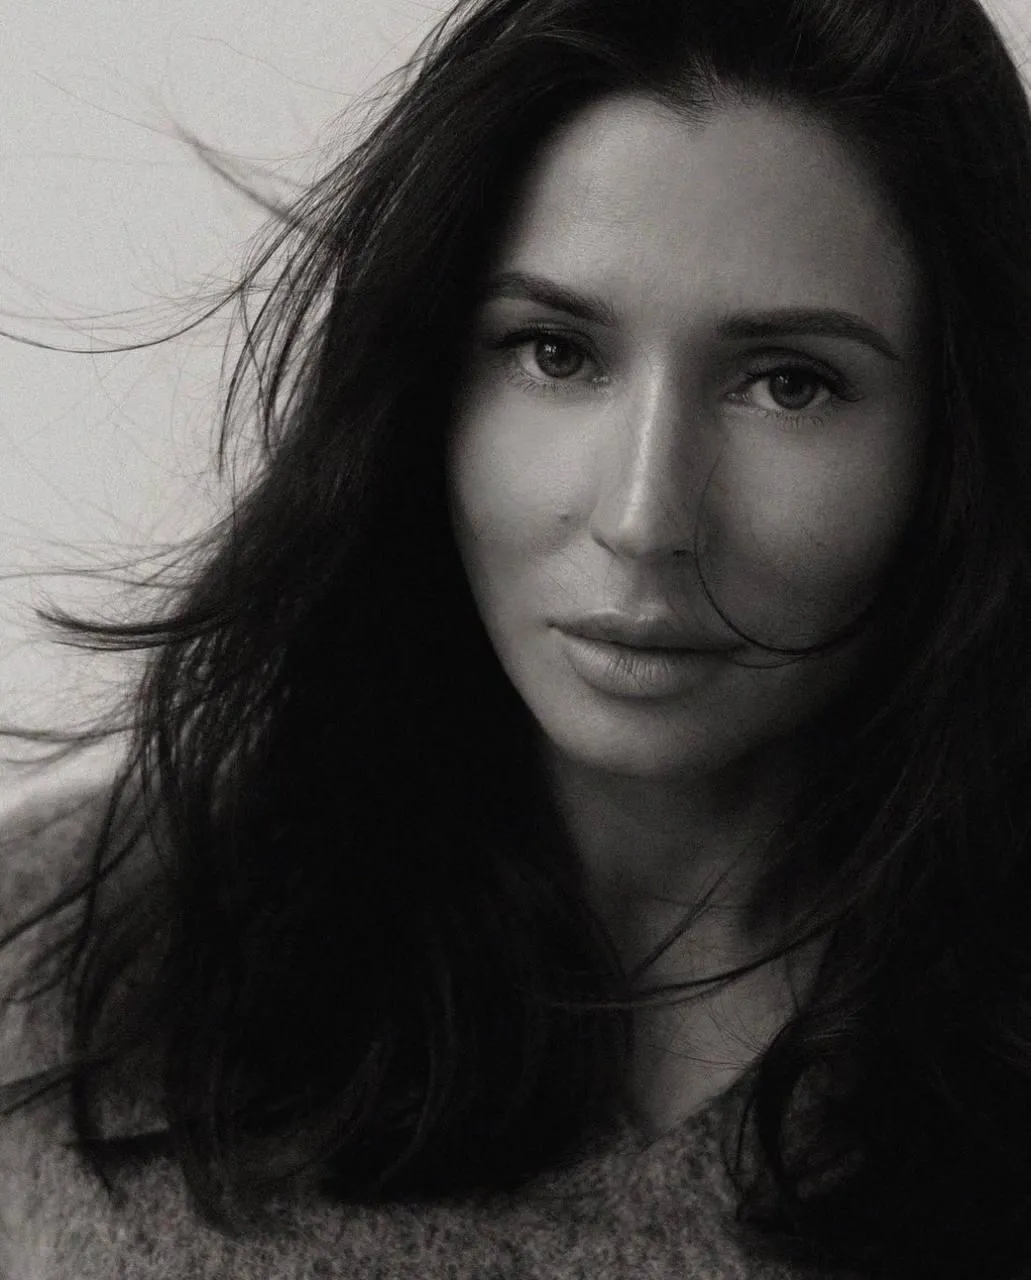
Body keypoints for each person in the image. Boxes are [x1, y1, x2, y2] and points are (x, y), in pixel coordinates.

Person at [3, 0, 1031, 1275]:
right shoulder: (57, 952)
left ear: (958, 446)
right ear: (423, 385)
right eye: (554, 351)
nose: (644, 515)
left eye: (787, 382)